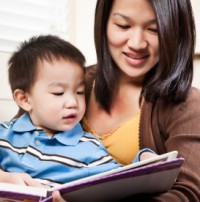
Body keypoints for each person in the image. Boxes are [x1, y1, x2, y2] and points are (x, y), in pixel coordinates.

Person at [0, 35, 155, 188]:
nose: (73, 103)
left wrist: (143, 159)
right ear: (24, 99)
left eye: (79, 92)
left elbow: (119, 181)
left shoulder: (89, 148)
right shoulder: (5, 133)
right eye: (58, 93)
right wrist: (6, 178)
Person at [82, 0, 200, 201]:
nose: (137, 43)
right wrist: (8, 177)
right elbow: (11, 141)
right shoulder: (70, 80)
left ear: (175, 32)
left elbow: (187, 193)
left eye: (154, 30)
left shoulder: (187, 105)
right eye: (123, 26)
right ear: (103, 24)